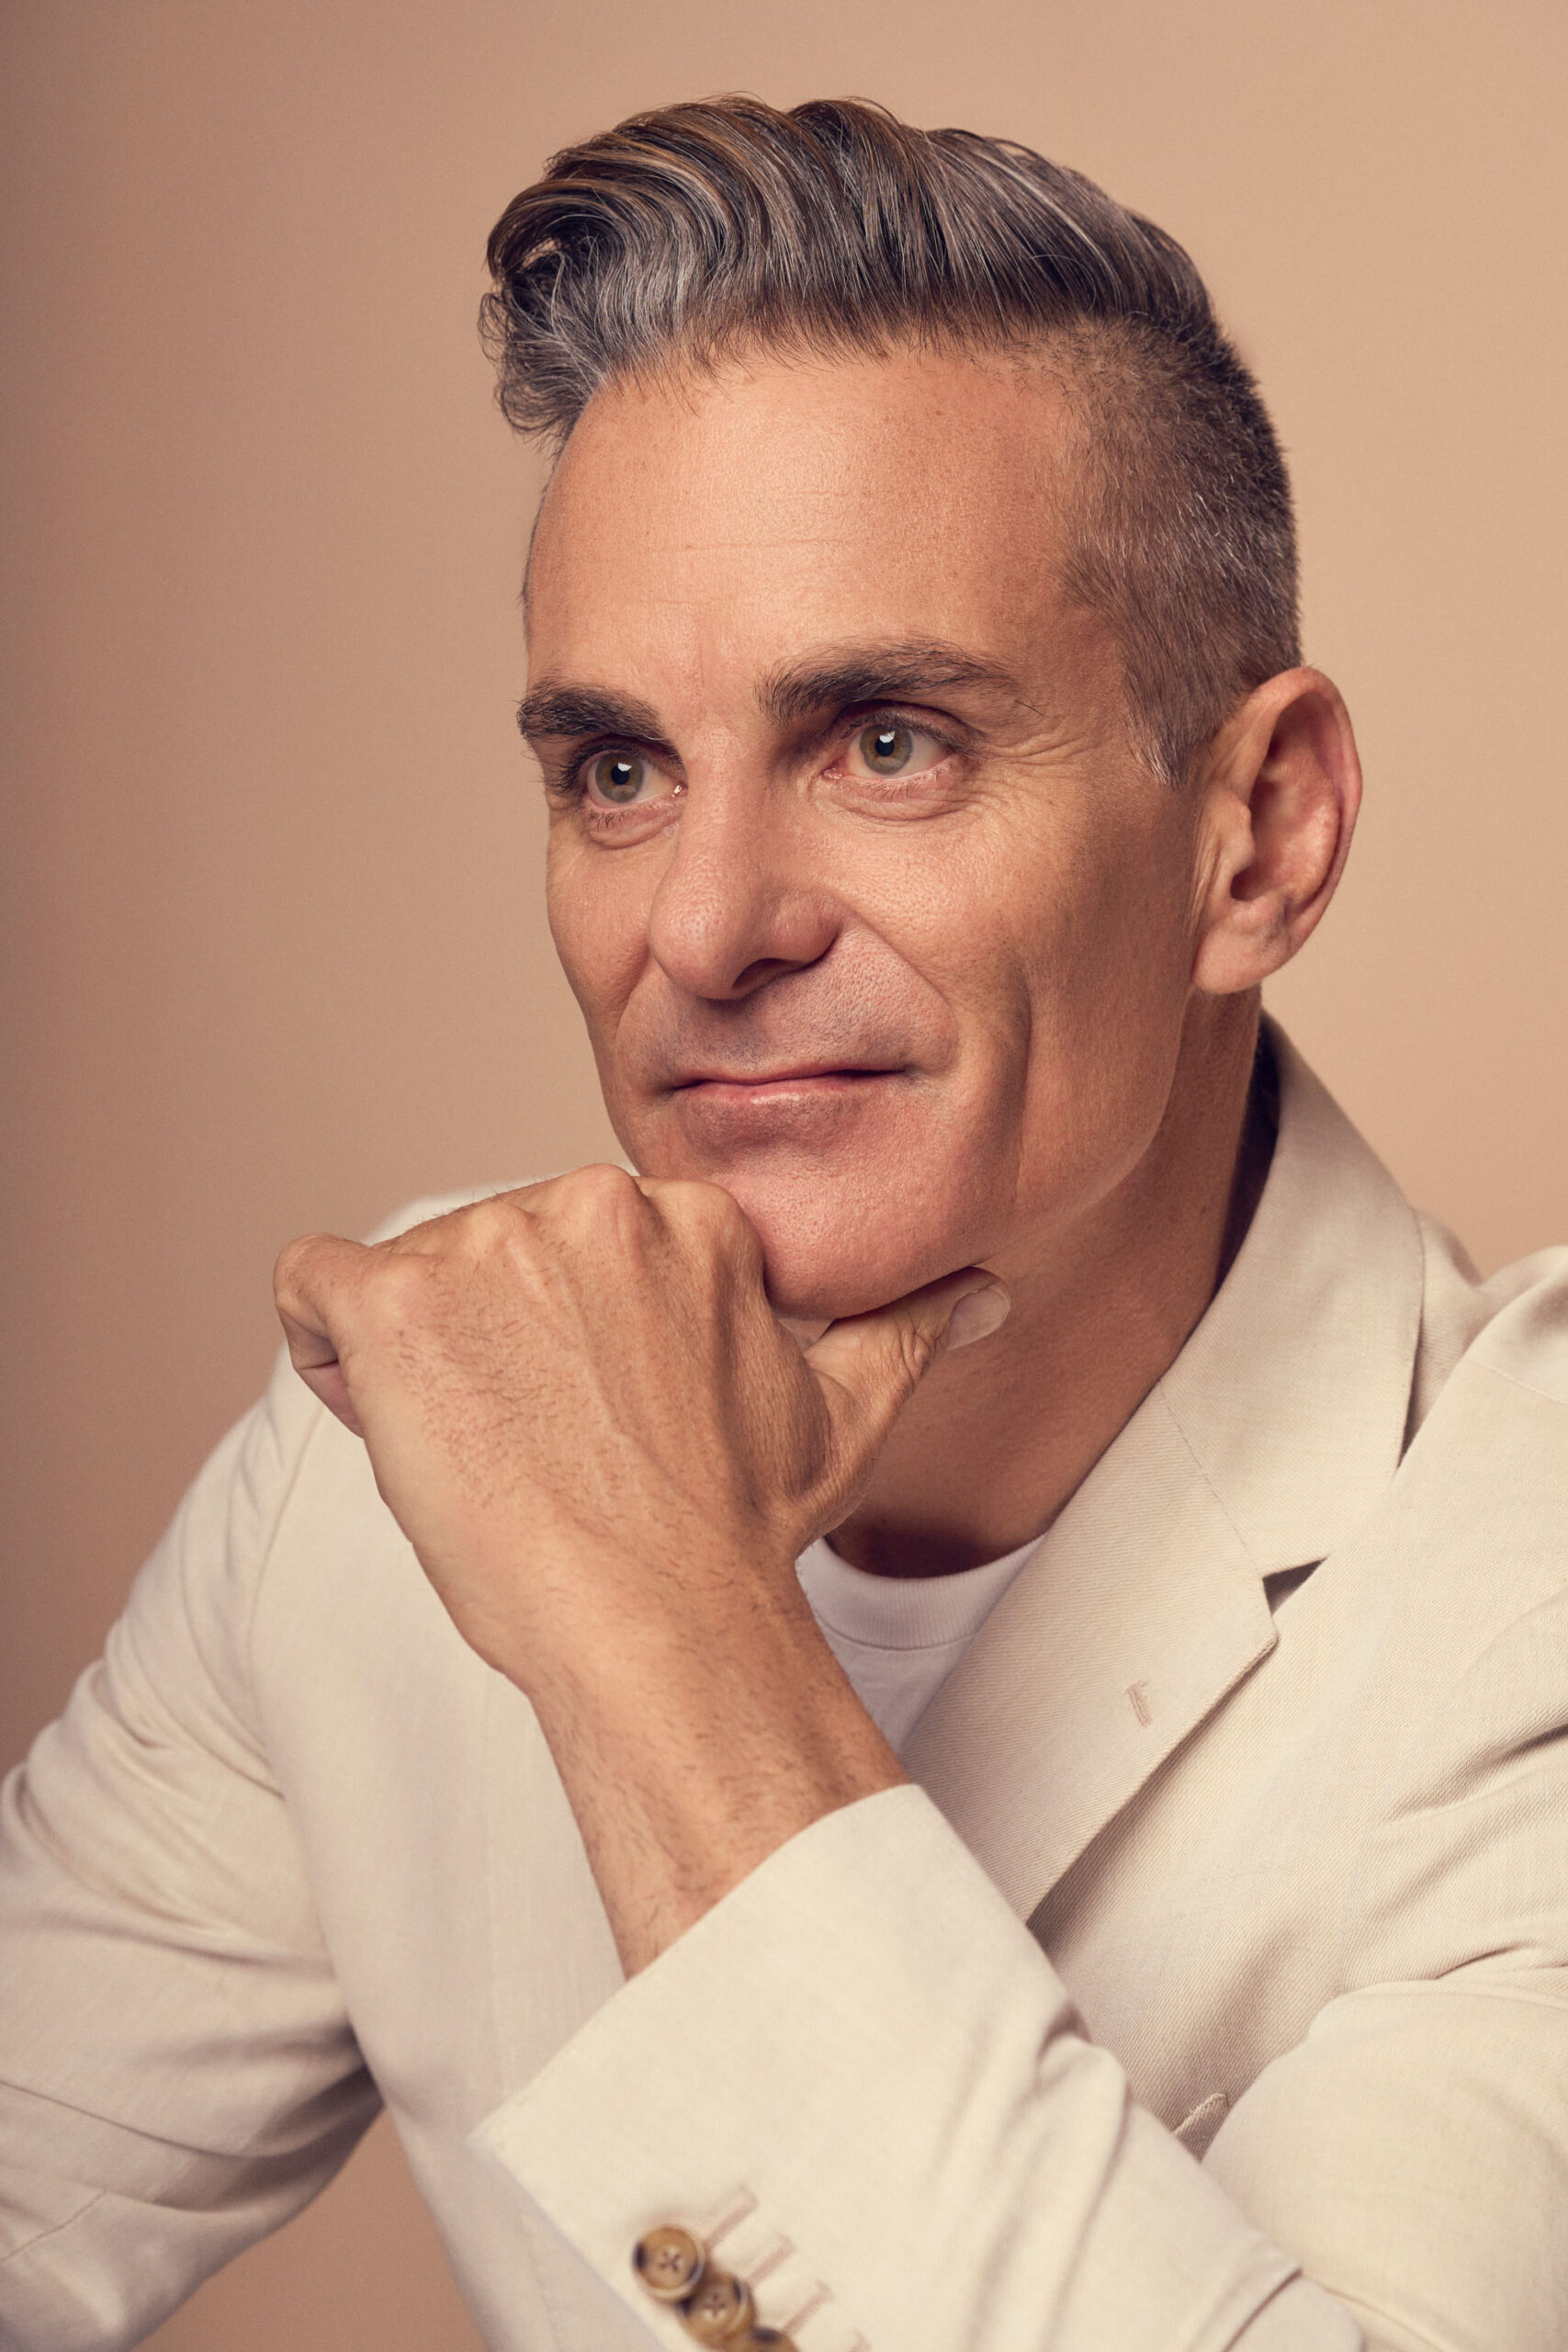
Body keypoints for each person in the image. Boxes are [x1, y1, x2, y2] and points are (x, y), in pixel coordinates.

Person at [2, 91, 1565, 2352]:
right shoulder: (407, 1417)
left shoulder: (1521, 1582)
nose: (704, 926)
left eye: (887, 741)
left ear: (1255, 838)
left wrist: (652, 1625)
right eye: (616, 770)